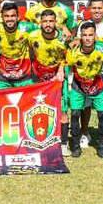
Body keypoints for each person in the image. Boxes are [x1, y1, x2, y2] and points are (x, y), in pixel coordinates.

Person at [65, 21, 103, 158]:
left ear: (95, 36)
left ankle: (101, 146)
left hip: (97, 86)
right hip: (78, 86)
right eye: (85, 35)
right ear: (80, 36)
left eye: (90, 35)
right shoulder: (73, 50)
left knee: (102, 115)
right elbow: (66, 66)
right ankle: (75, 145)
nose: (87, 38)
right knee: (75, 114)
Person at [29, 10, 70, 152]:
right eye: (45, 21)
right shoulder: (33, 36)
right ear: (40, 23)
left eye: (51, 21)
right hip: (39, 78)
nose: (48, 24)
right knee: (37, 109)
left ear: (55, 22)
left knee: (63, 110)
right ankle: (38, 139)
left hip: (57, 78)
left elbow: (67, 57)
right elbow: (30, 55)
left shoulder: (63, 38)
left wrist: (61, 69)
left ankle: (64, 144)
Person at [0, 3, 36, 89]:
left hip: (24, 76)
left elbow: (46, 29)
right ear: (2, 17)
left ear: (18, 17)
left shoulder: (28, 27)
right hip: (3, 77)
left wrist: (63, 29)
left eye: (12, 16)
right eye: (6, 16)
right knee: (1, 101)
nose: (9, 19)